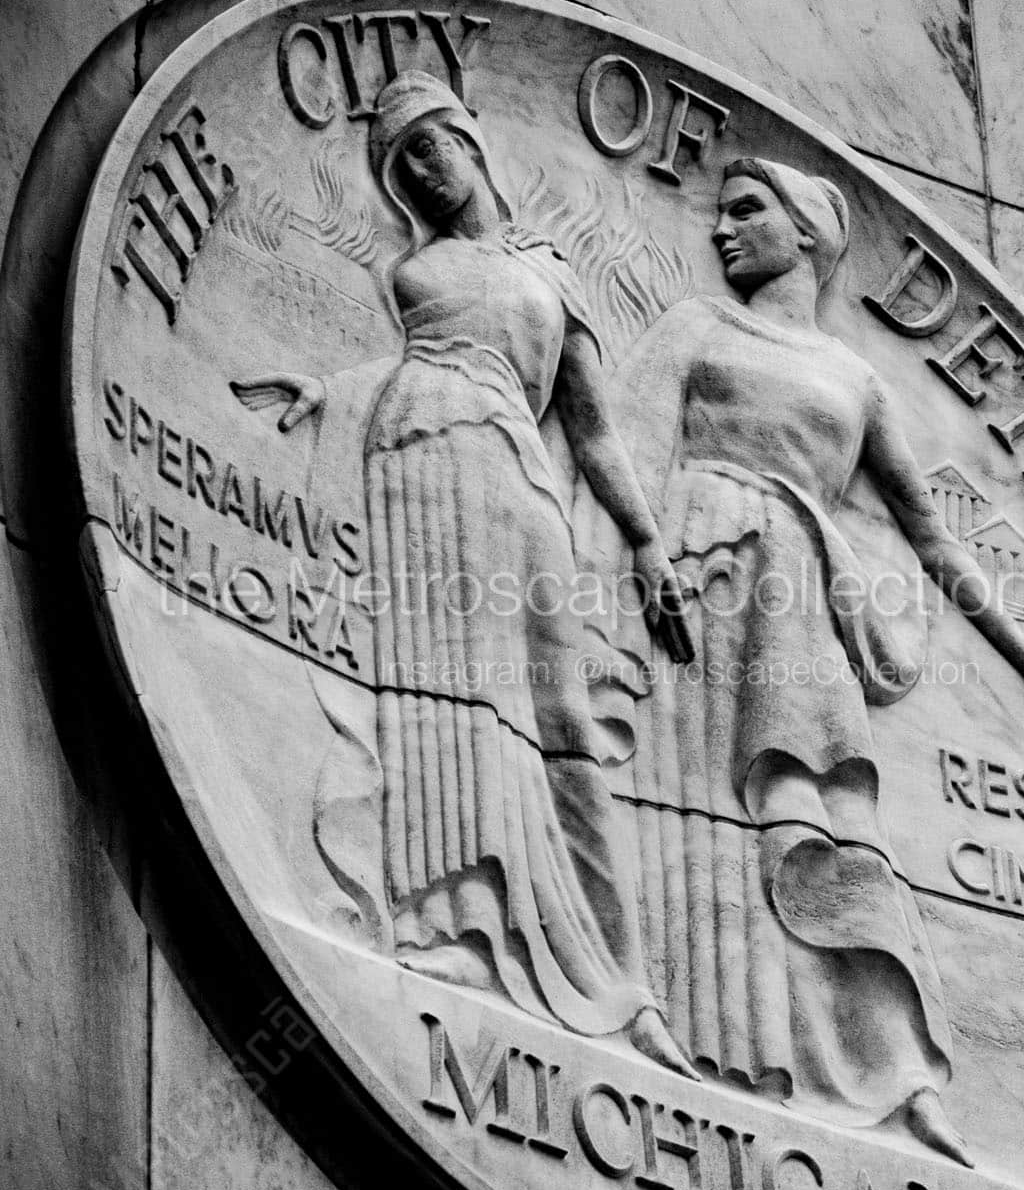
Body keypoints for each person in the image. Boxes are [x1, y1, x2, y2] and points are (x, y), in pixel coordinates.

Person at [598, 157, 1024, 1164]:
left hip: (795, 600)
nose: (723, 232)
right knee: (682, 811)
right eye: (718, 214)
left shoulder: (857, 378)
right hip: (690, 577)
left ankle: (888, 1074)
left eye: (746, 211)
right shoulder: (692, 330)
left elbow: (933, 540)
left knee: (811, 822)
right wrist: (640, 562)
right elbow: (627, 447)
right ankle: (675, 1027)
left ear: (807, 233)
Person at [233, 70, 695, 1077]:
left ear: (471, 139)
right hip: (419, 461)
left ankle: (623, 988)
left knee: (562, 724)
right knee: (438, 698)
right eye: (403, 166)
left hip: (516, 474)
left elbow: (594, 428)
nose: (423, 173)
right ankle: (450, 920)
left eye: (432, 147)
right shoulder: (416, 272)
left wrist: (648, 543)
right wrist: (327, 388)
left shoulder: (549, 269)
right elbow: (421, 365)